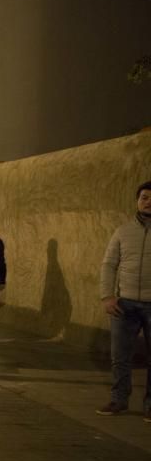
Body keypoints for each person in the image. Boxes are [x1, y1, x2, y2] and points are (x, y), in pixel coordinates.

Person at [97, 181, 151, 422]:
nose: (148, 201)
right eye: (144, 197)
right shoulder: (122, 231)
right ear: (137, 201)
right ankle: (119, 400)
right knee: (120, 356)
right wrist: (107, 296)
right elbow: (109, 264)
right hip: (124, 304)